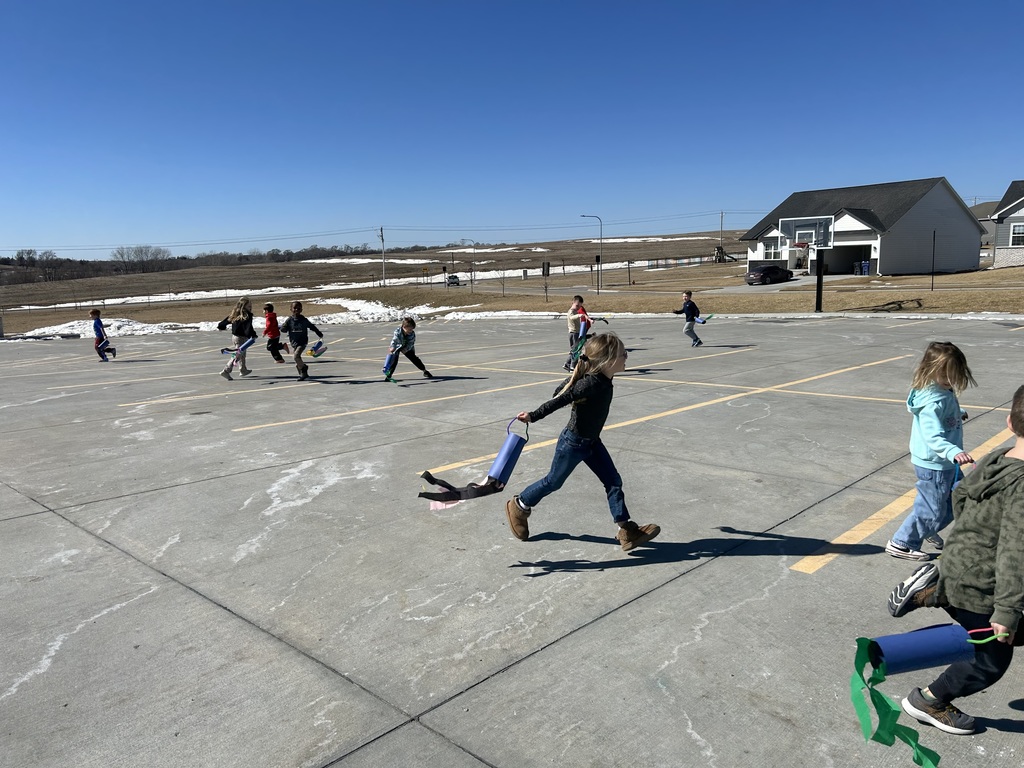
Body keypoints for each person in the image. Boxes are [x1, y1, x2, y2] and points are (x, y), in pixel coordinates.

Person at [887, 383, 1024, 737]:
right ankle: (930, 700)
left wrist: (968, 538)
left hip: (959, 559)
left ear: (1010, 422)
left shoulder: (999, 456)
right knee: (991, 661)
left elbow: (961, 494)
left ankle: (936, 586)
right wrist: (1006, 611)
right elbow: (1015, 552)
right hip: (981, 586)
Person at [505, 332, 660, 551]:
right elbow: (560, 398)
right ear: (607, 360)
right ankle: (519, 505)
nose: (627, 356)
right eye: (622, 354)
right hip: (573, 443)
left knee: (613, 481)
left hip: (592, 442)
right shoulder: (590, 384)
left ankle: (626, 530)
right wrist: (533, 415)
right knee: (553, 482)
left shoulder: (603, 379)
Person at [886, 341, 977, 560]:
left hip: (945, 464)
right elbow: (932, 435)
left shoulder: (940, 390)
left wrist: (957, 413)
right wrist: (953, 451)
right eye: (947, 376)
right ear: (931, 371)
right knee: (931, 508)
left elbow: (942, 415)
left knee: (959, 499)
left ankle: (927, 528)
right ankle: (902, 542)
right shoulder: (932, 400)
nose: (951, 381)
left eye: (954, 375)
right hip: (935, 464)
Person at [279, 301, 323, 381]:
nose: (296, 310)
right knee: (297, 360)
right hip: (294, 342)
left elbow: (311, 326)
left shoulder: (303, 320)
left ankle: (304, 369)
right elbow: (283, 329)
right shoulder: (289, 320)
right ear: (291, 309)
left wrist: (319, 333)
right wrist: (284, 328)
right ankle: (303, 374)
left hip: (302, 342)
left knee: (296, 356)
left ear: (301, 310)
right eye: (294, 308)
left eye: (298, 308)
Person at [217, 297, 258, 380]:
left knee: (242, 354)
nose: (250, 308)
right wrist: (252, 335)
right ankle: (226, 370)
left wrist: (221, 325)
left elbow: (226, 320)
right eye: (248, 306)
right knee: (237, 355)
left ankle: (243, 370)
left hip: (235, 337)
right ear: (243, 306)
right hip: (241, 338)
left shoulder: (236, 313)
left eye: (251, 306)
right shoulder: (247, 315)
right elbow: (248, 327)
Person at [384, 317, 432, 381]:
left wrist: (406, 349)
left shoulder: (412, 334)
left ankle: (424, 371)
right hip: (398, 346)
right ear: (404, 327)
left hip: (407, 347)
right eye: (409, 330)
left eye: (412, 329)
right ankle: (388, 376)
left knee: (414, 358)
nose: (411, 331)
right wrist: (392, 347)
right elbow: (394, 340)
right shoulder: (397, 332)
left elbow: (411, 343)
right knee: (394, 360)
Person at [563, 295, 590, 371]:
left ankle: (567, 364)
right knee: (576, 350)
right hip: (573, 333)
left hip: (577, 332)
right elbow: (572, 317)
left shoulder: (575, 311)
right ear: (573, 302)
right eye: (577, 305)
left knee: (575, 349)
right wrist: (579, 315)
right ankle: (572, 366)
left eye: (579, 306)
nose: (578, 308)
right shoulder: (571, 311)